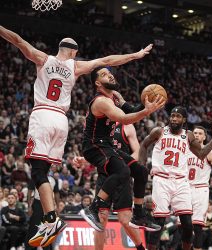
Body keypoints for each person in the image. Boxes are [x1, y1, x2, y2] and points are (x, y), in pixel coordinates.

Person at [0, 25, 154, 247]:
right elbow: (109, 60)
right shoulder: (76, 66)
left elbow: (17, 40)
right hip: (62, 120)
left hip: (43, 114)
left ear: (60, 49)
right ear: (73, 52)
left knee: (37, 171)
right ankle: (49, 218)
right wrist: (136, 55)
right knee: (46, 171)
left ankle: (51, 219)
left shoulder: (44, 59)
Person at [79, 67, 165, 232]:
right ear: (98, 83)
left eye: (110, 73)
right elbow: (124, 118)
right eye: (104, 74)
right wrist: (147, 111)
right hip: (94, 145)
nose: (110, 75)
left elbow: (130, 111)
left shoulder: (113, 98)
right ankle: (93, 209)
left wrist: (142, 104)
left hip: (107, 145)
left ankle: (138, 214)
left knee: (140, 171)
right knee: (122, 172)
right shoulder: (101, 101)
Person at [138, 106, 212, 250]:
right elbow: (144, 145)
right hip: (162, 179)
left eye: (178, 116)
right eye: (172, 115)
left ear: (184, 120)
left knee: (187, 223)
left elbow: (202, 154)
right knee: (159, 221)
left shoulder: (188, 135)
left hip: (181, 182)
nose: (174, 118)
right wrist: (142, 166)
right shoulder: (159, 131)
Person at [25, 175, 60, 250]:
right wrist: (29, 207)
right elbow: (29, 192)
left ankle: (46, 248)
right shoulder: (35, 177)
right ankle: (30, 248)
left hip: (49, 204)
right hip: (37, 203)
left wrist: (58, 206)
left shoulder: (54, 179)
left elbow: (56, 193)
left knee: (48, 227)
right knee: (34, 227)